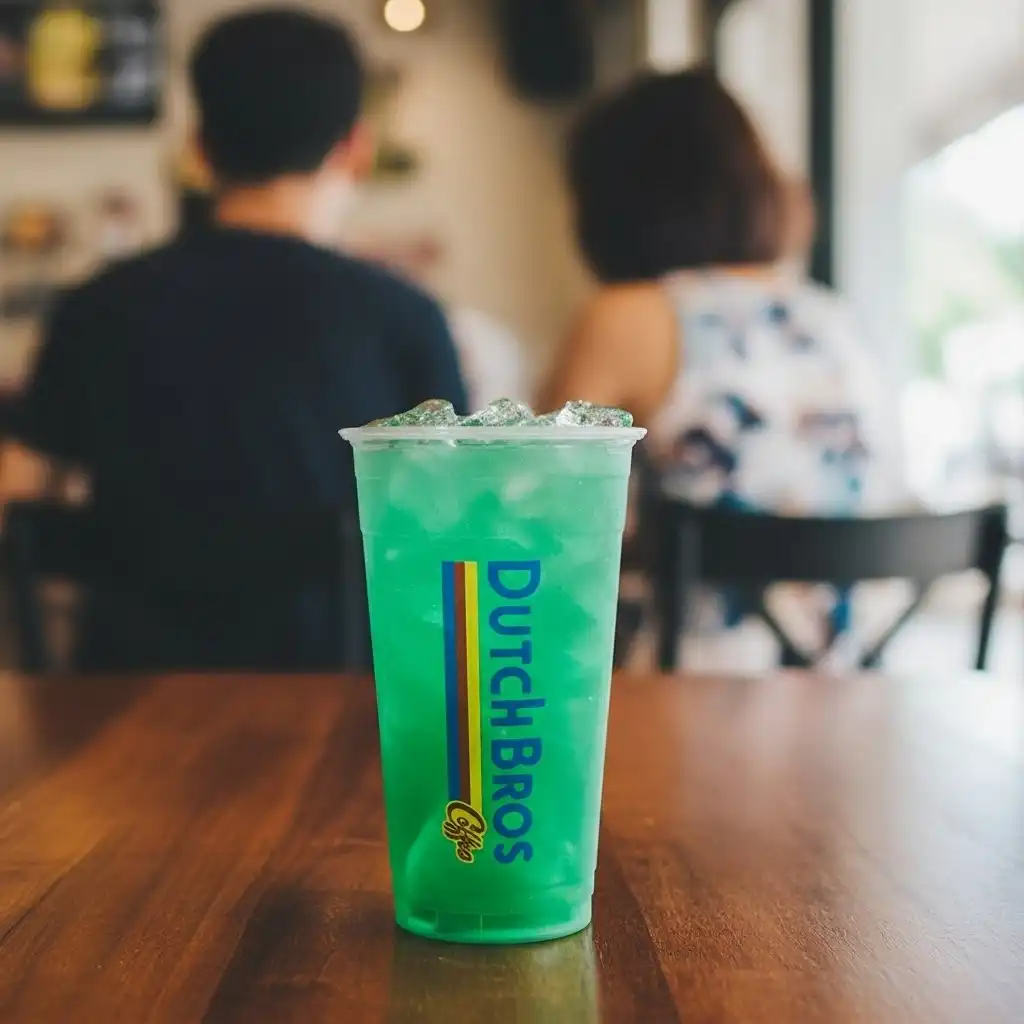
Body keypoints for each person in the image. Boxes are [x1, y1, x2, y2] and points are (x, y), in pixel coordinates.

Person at [10, 9, 468, 670]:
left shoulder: (96, 307)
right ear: (356, 149)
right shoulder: (406, 317)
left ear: (198, 149)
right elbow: (447, 526)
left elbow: (19, 500)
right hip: (342, 702)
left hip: (127, 703)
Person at [545, 70, 892, 654]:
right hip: (843, 706)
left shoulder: (628, 316)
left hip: (677, 709)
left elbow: (533, 518)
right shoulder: (835, 319)